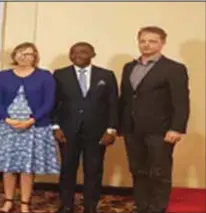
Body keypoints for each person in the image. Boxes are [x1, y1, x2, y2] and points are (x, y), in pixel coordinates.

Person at [0, 42, 59, 213]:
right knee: (8, 167)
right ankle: (8, 201)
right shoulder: (3, 75)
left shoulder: (45, 76)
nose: (24, 57)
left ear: (35, 57)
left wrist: (31, 120)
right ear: (14, 55)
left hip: (34, 127)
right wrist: (7, 119)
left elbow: (49, 102)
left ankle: (25, 203)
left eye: (28, 54)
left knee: (27, 168)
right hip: (6, 126)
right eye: (20, 53)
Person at [119, 26, 190, 213]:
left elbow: (181, 101)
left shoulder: (174, 69)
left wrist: (176, 128)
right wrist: (119, 126)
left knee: (159, 172)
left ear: (162, 43)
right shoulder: (129, 67)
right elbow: (125, 99)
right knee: (138, 171)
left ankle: (158, 208)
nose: (146, 45)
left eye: (152, 41)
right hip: (132, 129)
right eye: (143, 41)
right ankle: (142, 206)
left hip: (160, 130)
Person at [52, 42, 119, 213]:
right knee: (67, 168)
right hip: (67, 131)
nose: (77, 55)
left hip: (97, 132)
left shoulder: (106, 75)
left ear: (93, 54)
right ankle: (67, 204)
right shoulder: (60, 75)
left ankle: (90, 205)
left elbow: (113, 104)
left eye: (83, 52)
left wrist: (111, 130)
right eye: (73, 52)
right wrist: (55, 126)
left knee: (94, 170)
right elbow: (54, 103)